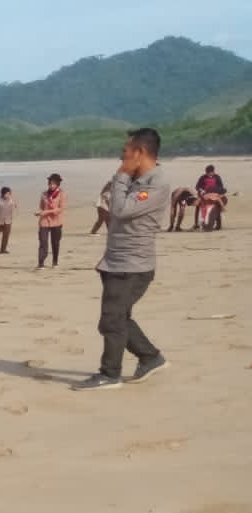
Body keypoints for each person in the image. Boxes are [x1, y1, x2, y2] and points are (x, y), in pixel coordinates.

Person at [73, 128, 169, 391]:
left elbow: (120, 209)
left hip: (132, 266)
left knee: (111, 320)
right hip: (117, 262)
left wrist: (121, 176)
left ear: (140, 152)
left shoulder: (156, 183)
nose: (121, 157)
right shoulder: (137, 180)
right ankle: (150, 358)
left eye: (125, 152)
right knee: (118, 318)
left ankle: (110, 374)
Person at [36, 174, 66, 268]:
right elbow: (41, 207)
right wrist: (39, 212)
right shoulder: (44, 194)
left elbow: (60, 209)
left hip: (56, 221)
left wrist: (46, 212)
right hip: (44, 221)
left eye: (54, 184)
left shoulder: (62, 194)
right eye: (50, 183)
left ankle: (55, 262)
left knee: (55, 243)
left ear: (58, 184)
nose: (51, 185)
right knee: (43, 242)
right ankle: (41, 263)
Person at [195, 164, 227, 231]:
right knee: (198, 207)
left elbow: (221, 187)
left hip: (215, 194)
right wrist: (201, 190)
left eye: (210, 173)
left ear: (213, 172)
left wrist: (216, 191)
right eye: (207, 173)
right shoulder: (203, 177)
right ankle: (196, 224)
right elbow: (197, 187)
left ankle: (218, 225)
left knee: (217, 209)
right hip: (204, 194)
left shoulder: (217, 177)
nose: (208, 174)